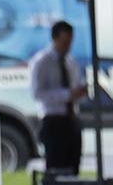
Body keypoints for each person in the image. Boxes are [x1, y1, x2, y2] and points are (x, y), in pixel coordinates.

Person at [29, 19, 83, 174]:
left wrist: (78, 93)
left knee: (73, 165)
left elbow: (74, 88)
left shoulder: (71, 63)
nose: (67, 46)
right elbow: (37, 93)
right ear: (55, 39)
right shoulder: (42, 62)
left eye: (70, 42)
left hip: (71, 119)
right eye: (64, 42)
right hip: (53, 120)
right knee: (55, 166)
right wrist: (66, 94)